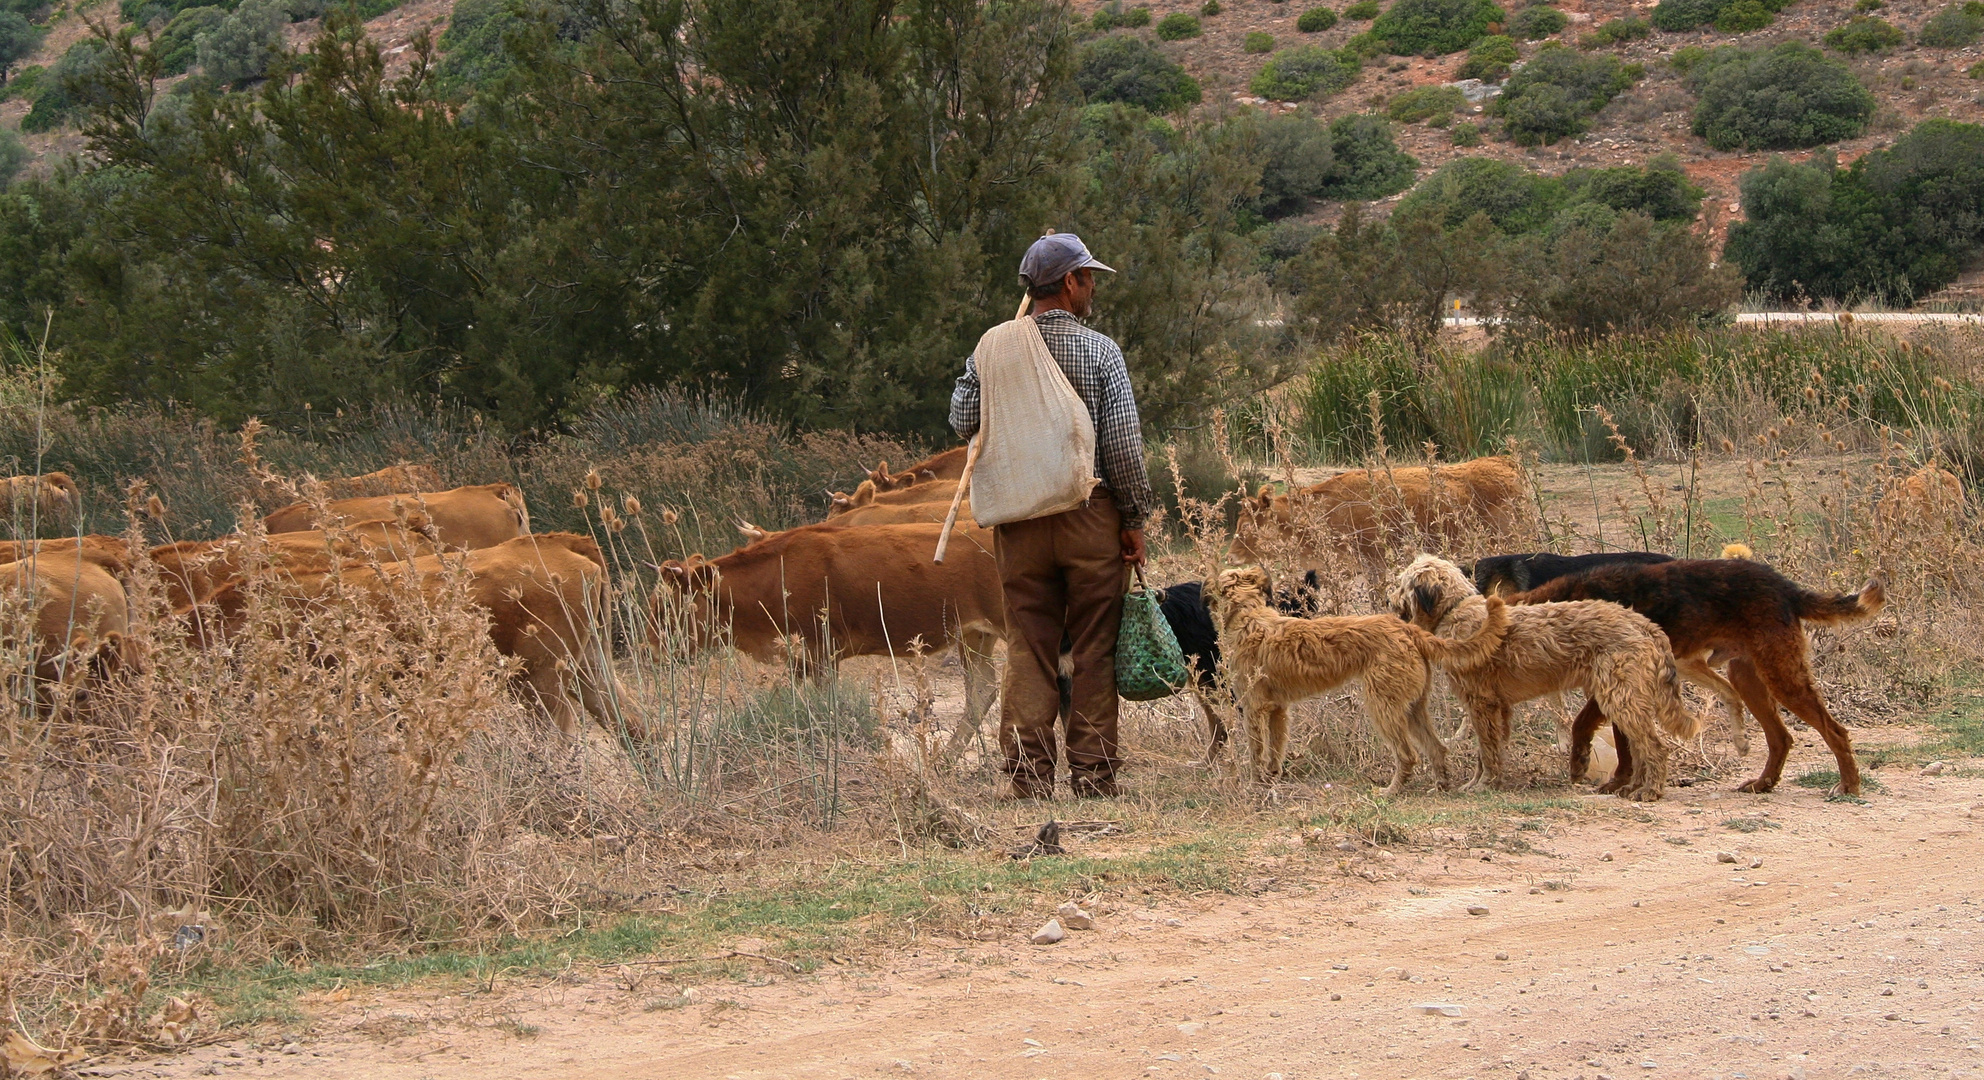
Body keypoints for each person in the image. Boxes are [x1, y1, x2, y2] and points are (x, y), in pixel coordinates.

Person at [949, 233, 1157, 800]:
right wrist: (1133, 518)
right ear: (1069, 284)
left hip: (1018, 526)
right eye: (1089, 278)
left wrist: (991, 367)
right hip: (1088, 518)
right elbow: (1121, 447)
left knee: (1028, 644)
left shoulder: (992, 347)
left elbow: (963, 416)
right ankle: (1093, 775)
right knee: (1093, 646)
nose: (1093, 289)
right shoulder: (1100, 352)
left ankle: (1027, 778)